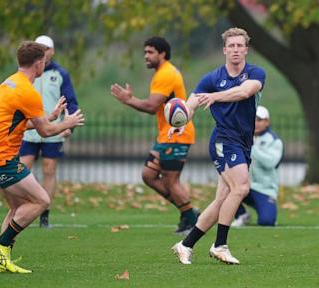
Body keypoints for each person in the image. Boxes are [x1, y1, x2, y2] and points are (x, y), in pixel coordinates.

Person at [0, 41, 85, 273]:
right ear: (39, 63)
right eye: (43, 63)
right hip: (1, 159)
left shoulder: (8, 83)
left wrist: (50, 115)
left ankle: (1, 262)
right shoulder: (29, 92)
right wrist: (66, 122)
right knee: (42, 200)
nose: (44, 66)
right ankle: (1, 243)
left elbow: (17, 123)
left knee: (17, 207)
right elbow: (45, 131)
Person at [171, 27, 266, 265]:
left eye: (239, 46)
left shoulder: (256, 73)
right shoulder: (212, 78)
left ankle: (186, 244)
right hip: (224, 140)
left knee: (223, 199)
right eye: (231, 46)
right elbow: (191, 103)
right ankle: (220, 245)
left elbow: (244, 92)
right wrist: (182, 120)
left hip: (243, 142)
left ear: (246, 49)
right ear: (224, 50)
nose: (235, 50)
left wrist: (215, 96)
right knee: (241, 188)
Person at [111, 36, 199, 234]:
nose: (146, 56)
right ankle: (188, 212)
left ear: (163, 54)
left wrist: (128, 100)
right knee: (149, 175)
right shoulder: (162, 72)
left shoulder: (166, 74)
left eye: (150, 52)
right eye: (145, 52)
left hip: (176, 134)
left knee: (171, 181)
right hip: (166, 135)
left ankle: (191, 219)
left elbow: (151, 106)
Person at [19, 35, 79, 228]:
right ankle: (24, 207)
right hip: (29, 130)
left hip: (52, 131)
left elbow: (70, 100)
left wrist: (68, 124)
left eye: (47, 48)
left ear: (52, 51)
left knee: (49, 169)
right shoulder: (27, 73)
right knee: (22, 168)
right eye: (41, 48)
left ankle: (44, 214)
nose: (44, 51)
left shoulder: (61, 73)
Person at [231, 105, 283, 227]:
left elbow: (271, 163)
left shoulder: (274, 140)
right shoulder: (243, 136)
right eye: (253, 119)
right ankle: (241, 214)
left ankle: (265, 207)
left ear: (267, 122)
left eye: (259, 119)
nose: (255, 123)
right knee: (227, 186)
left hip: (265, 190)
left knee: (267, 222)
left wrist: (252, 146)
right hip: (245, 186)